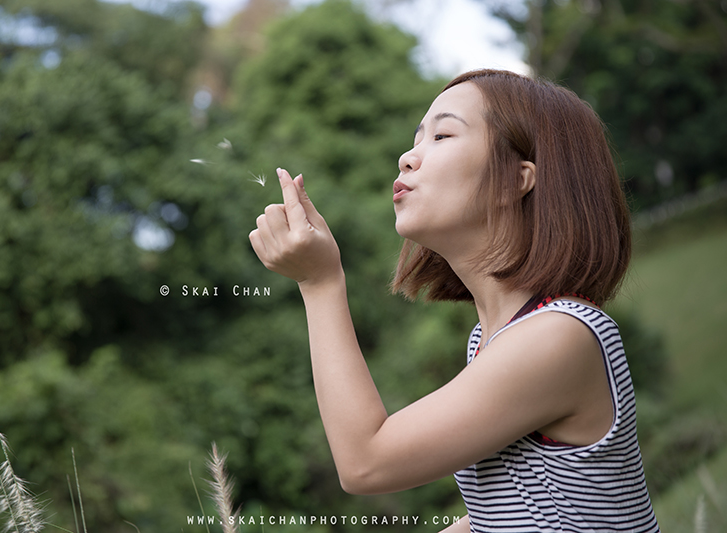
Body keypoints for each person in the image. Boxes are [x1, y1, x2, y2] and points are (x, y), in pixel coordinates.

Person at [249, 69, 660, 533]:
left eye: (442, 135)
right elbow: (527, 501)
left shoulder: (560, 334)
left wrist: (319, 282)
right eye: (417, 138)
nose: (407, 157)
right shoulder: (493, 338)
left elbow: (366, 463)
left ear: (515, 180)